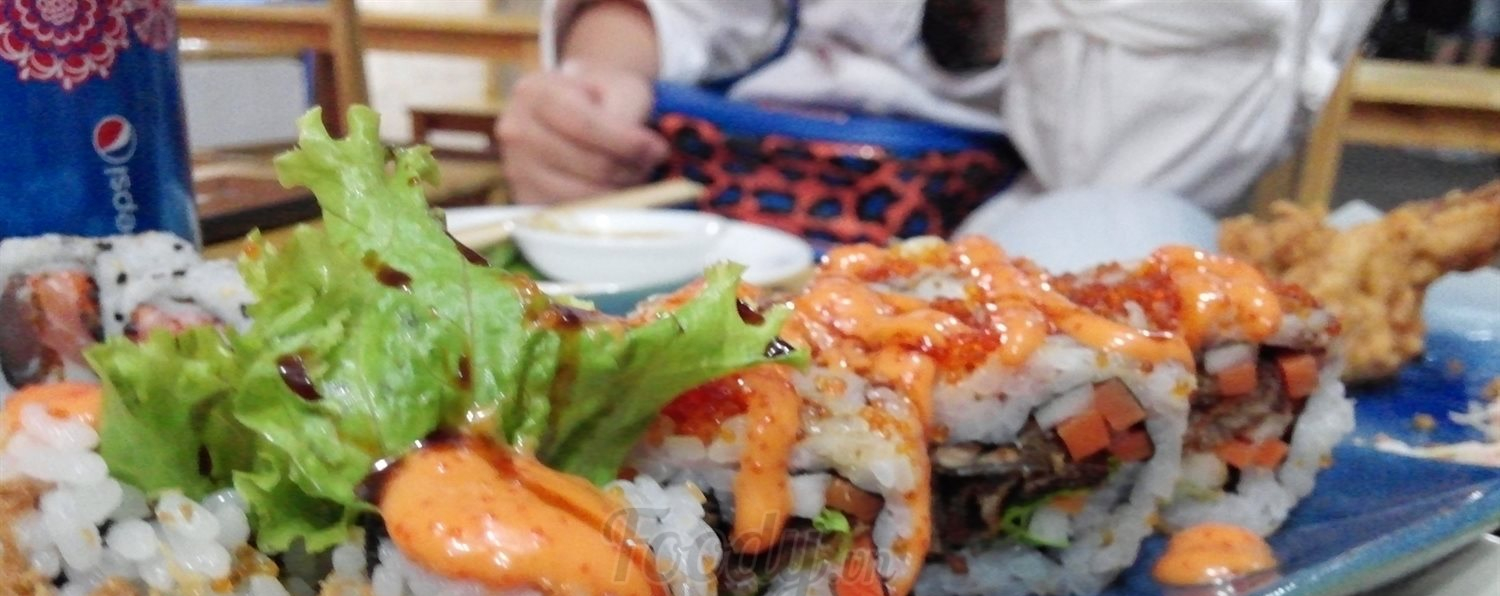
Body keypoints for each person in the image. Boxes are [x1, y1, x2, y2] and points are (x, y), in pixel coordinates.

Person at [498, 0, 1382, 242]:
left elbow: (1131, 168)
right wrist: (590, 87)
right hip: (711, 197)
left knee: (1132, 228)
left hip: (1001, 232)